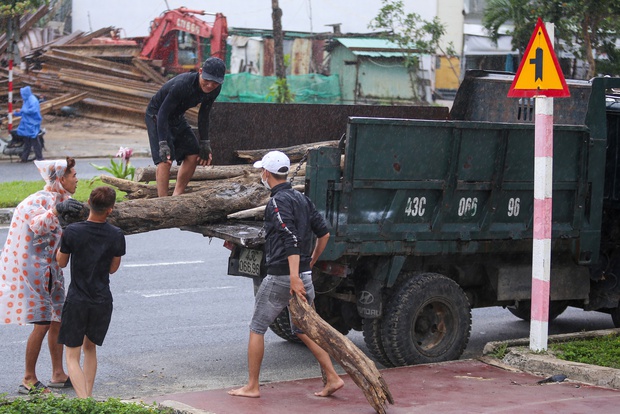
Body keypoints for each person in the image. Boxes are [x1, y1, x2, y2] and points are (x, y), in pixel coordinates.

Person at [228, 151, 345, 399]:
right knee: (305, 329)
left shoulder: (277, 203)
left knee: (257, 326)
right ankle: (333, 377)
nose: (261, 174)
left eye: (262, 170)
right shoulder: (302, 199)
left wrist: (293, 277)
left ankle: (252, 386)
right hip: (302, 274)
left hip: (284, 276)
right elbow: (324, 234)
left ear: (267, 174)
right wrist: (310, 262)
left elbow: (290, 238)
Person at [0, 158, 82, 394]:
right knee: (42, 322)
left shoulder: (63, 200)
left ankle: (57, 373)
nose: (77, 178)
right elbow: (38, 225)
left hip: (52, 269)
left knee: (58, 318)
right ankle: (28, 378)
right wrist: (56, 210)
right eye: (73, 174)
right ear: (60, 178)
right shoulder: (39, 200)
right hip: (35, 271)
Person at [56, 186, 126, 398]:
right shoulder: (116, 234)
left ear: (88, 203)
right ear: (110, 210)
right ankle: (88, 397)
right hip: (102, 299)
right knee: (90, 349)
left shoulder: (73, 231)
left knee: (71, 356)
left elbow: (61, 262)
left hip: (77, 299)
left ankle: (85, 402)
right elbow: (113, 269)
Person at [146, 57, 226, 197]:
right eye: (207, 80)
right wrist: (163, 142)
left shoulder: (215, 89)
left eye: (215, 82)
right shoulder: (183, 84)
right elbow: (163, 113)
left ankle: (177, 196)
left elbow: (204, 115)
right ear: (200, 71)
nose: (209, 85)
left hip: (177, 117)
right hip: (157, 116)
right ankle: (162, 201)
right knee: (166, 159)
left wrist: (205, 142)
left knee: (193, 153)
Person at [13, 86, 43, 163]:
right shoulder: (27, 100)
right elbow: (25, 111)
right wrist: (16, 113)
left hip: (32, 123)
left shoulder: (32, 100)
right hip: (27, 124)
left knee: (34, 141)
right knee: (27, 142)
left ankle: (40, 158)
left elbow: (32, 110)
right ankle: (24, 158)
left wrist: (21, 110)